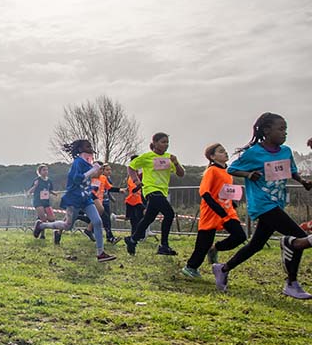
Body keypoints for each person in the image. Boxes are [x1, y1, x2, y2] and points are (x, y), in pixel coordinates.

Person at [213, 113, 312, 298]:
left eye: (286, 129)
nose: (284, 133)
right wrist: (249, 174)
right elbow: (232, 168)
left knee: (256, 245)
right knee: (299, 237)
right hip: (262, 203)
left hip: (277, 202)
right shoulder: (254, 153)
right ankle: (291, 283)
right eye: (280, 129)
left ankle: (223, 269)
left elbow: (291, 171)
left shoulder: (286, 151)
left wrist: (303, 182)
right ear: (266, 130)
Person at [33, 139, 117, 263]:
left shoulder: (87, 162)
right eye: (87, 146)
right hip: (74, 199)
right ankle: (41, 225)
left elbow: (90, 177)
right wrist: (92, 170)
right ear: (80, 149)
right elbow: (78, 179)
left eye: (90, 146)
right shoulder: (78, 162)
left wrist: (96, 174)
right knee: (67, 226)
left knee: (97, 221)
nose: (90, 148)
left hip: (86, 198)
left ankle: (100, 253)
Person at [182, 143, 247, 278]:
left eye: (225, 150)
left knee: (240, 236)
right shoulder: (211, 171)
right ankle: (190, 267)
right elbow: (204, 192)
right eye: (221, 151)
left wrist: (232, 203)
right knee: (203, 244)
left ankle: (215, 248)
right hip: (211, 212)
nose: (225, 153)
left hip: (228, 212)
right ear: (212, 156)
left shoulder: (228, 172)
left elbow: (225, 191)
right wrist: (217, 208)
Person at [124, 133, 185, 256]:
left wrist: (176, 163)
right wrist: (136, 181)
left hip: (162, 191)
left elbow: (181, 174)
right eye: (163, 142)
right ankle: (164, 245)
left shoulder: (169, 157)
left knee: (148, 218)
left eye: (167, 142)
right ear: (155, 143)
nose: (166, 145)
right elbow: (131, 167)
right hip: (151, 190)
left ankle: (132, 240)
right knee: (169, 214)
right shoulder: (147, 157)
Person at [26, 165, 55, 239]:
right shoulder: (37, 180)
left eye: (47, 170)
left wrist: (53, 193)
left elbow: (50, 189)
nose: (46, 171)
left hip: (46, 202)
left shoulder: (49, 181)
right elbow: (30, 191)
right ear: (39, 172)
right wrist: (35, 186)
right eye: (44, 170)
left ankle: (38, 224)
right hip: (38, 201)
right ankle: (42, 235)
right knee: (43, 219)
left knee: (52, 219)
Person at [123, 155, 145, 238]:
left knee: (140, 218)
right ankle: (136, 236)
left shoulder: (140, 173)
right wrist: (140, 186)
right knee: (135, 219)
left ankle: (139, 235)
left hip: (139, 199)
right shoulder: (132, 176)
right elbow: (133, 189)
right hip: (133, 200)